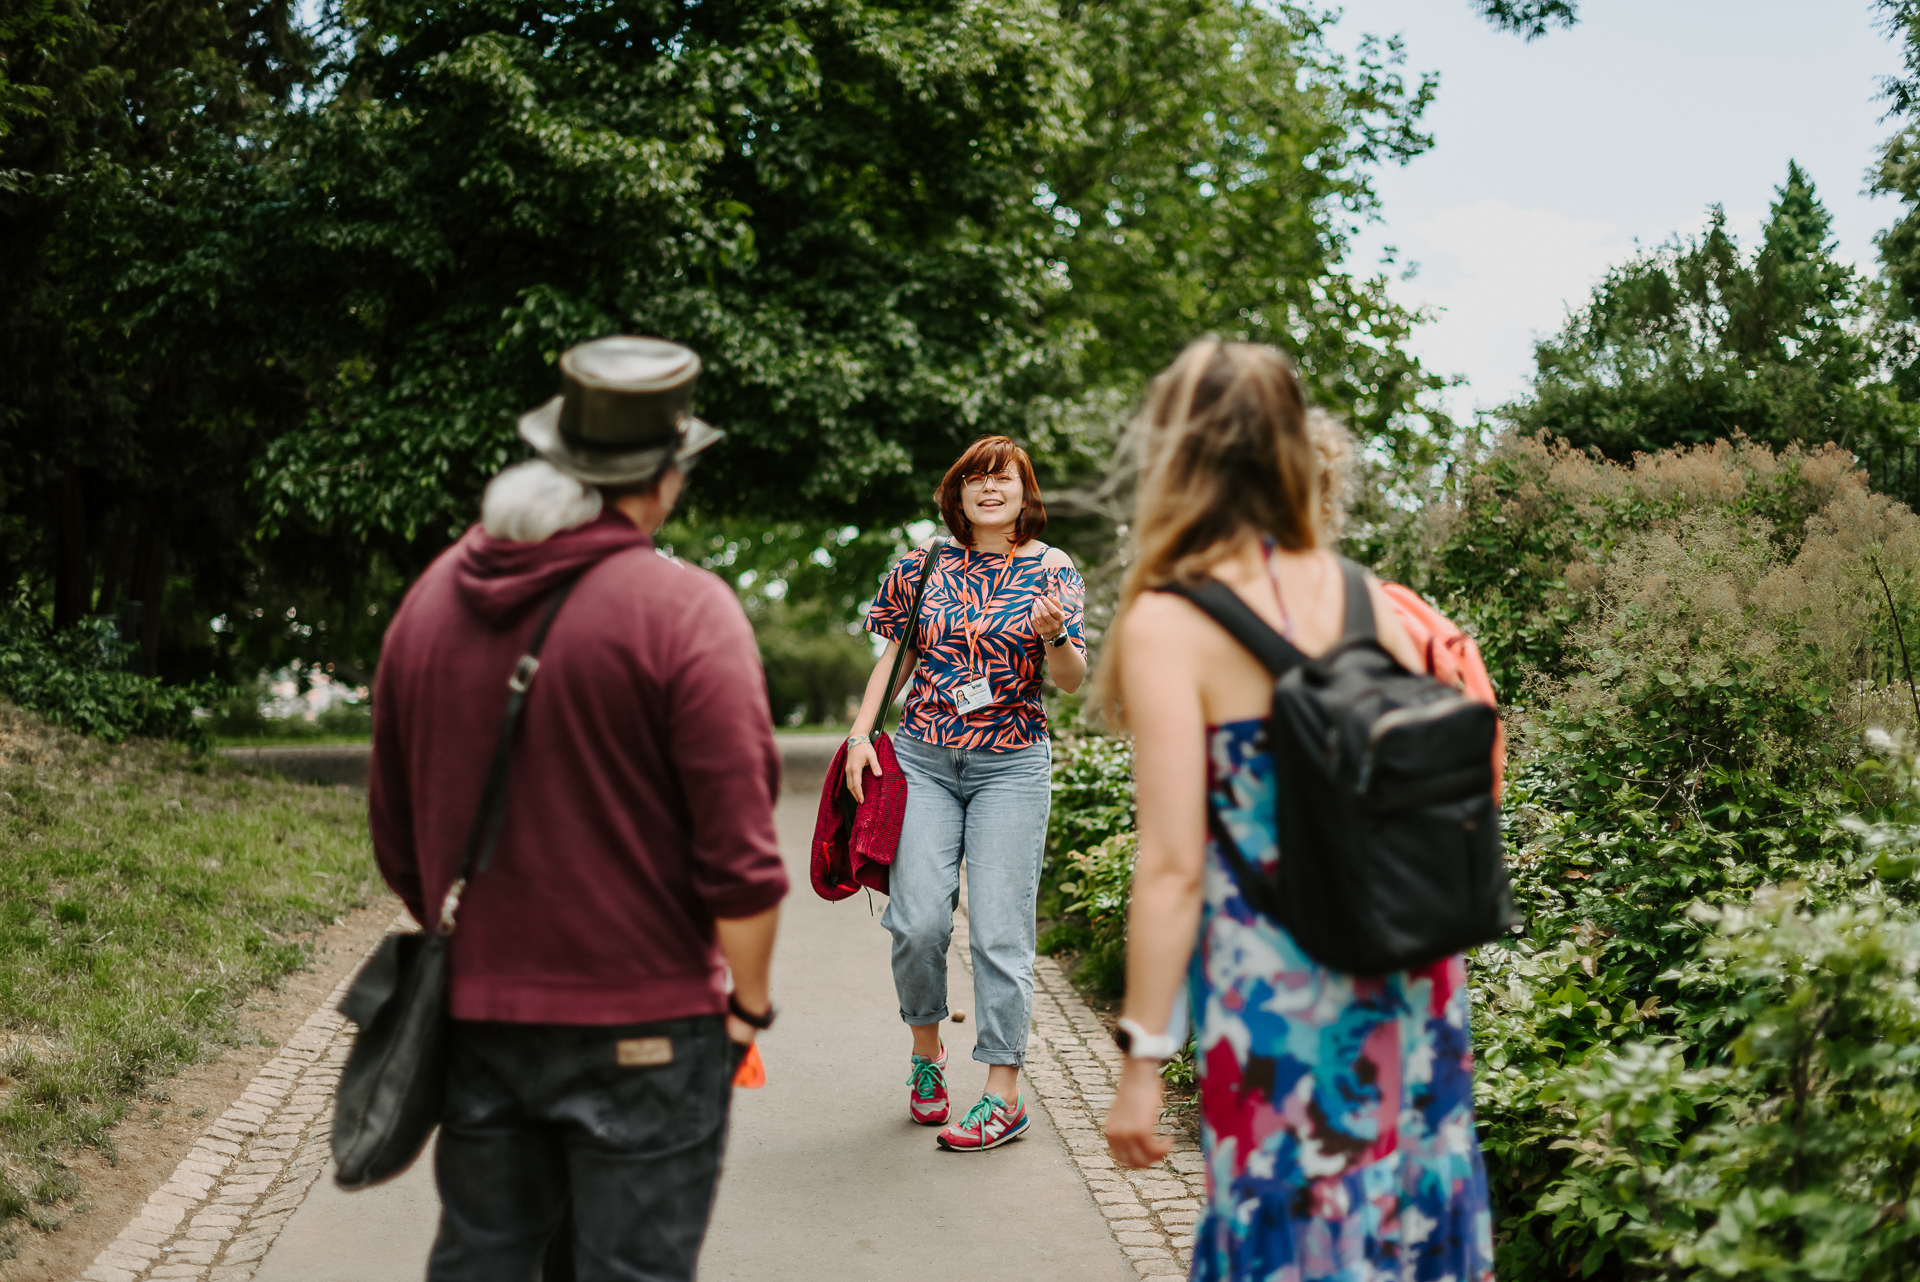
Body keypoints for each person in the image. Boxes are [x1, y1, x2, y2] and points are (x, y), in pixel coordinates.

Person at [368, 336, 788, 1282]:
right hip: (648, 1025)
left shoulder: (431, 602)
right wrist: (747, 1012)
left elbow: (400, 839)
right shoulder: (685, 611)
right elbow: (745, 863)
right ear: (666, 474)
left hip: (481, 1019)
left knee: (484, 1263)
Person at [1097, 340, 1496, 1280]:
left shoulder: (1170, 621)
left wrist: (1143, 1062)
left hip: (1277, 992)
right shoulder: (1364, 593)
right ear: (1291, 448)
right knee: (1405, 1215)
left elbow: (1172, 867)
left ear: (1176, 452)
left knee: (1292, 1233)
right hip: (1409, 974)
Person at [843, 435, 1088, 1152]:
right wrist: (860, 737)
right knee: (916, 922)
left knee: (999, 932)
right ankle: (927, 1055)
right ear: (957, 494)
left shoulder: (1052, 569)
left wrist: (1055, 640)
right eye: (975, 478)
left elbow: (1071, 680)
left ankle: (1003, 1094)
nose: (989, 489)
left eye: (1003, 478)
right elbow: (893, 657)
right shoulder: (921, 565)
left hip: (1011, 766)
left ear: (1024, 491)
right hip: (921, 759)